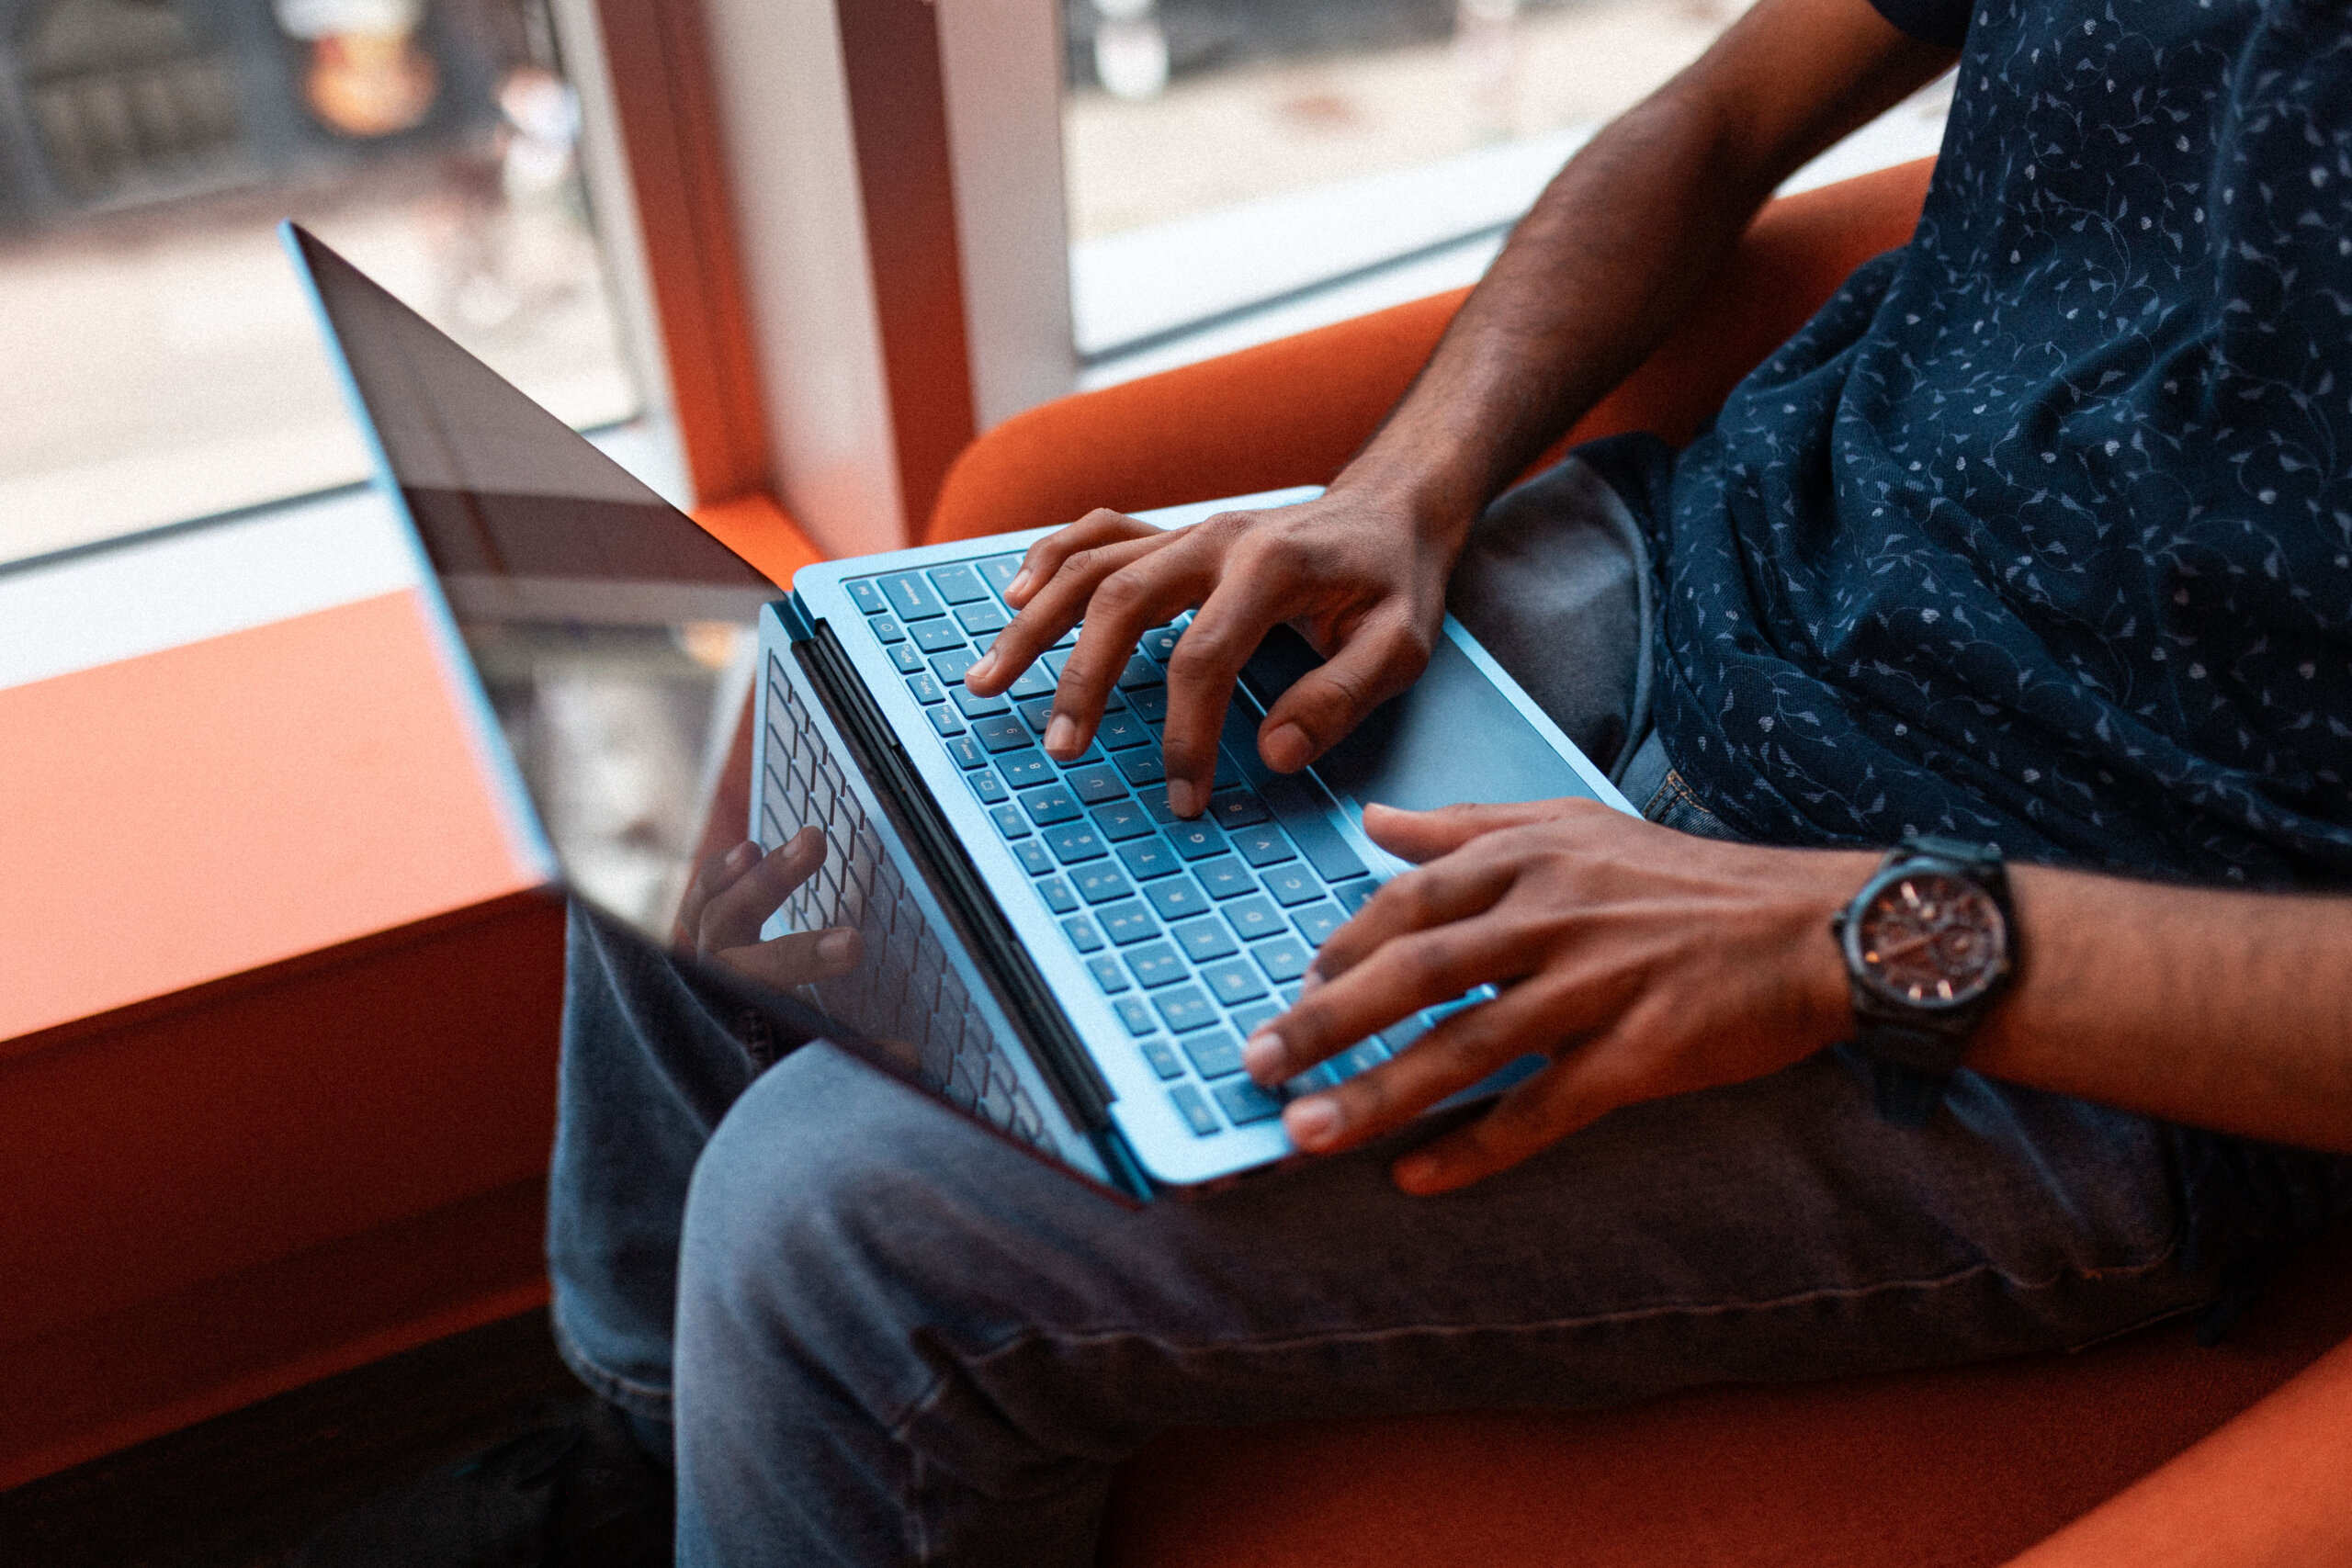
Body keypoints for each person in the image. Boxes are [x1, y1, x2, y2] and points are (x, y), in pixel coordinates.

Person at [306, 0, 2352, 1562]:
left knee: (828, 1224)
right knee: (749, 760)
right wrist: (1393, 493)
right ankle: (646, 1467)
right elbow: (1715, 115)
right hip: (1692, 575)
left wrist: (1844, 934)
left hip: (2045, 982)